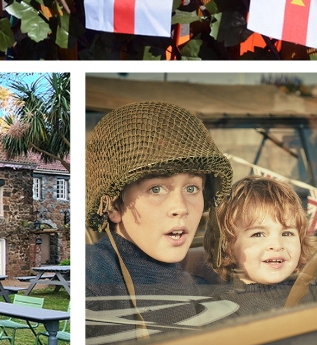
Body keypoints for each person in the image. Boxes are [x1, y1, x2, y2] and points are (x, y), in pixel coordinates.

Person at [85, 101, 232, 303]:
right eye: (156, 189)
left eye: (191, 189)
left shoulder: (200, 289)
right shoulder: (92, 279)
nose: (180, 208)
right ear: (113, 206)